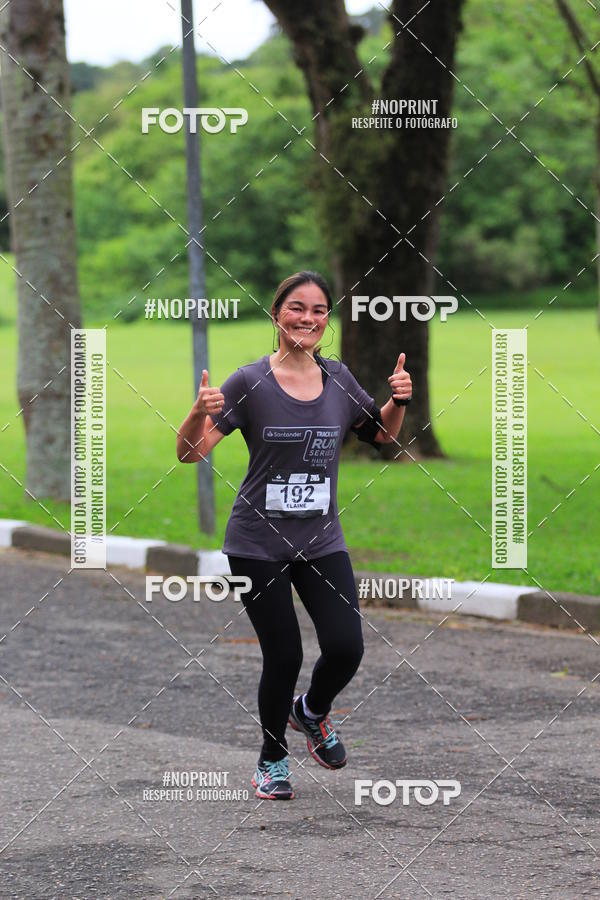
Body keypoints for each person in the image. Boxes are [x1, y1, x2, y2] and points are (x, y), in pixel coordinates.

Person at [176, 270, 412, 801]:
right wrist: (197, 412)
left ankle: (311, 712)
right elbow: (191, 453)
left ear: (327, 320)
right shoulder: (247, 382)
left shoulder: (338, 378)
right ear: (276, 313)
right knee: (283, 656)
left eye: (319, 310)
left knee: (346, 647)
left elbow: (381, 438)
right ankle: (272, 759)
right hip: (256, 545)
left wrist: (398, 401)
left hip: (322, 541)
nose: (308, 319)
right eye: (297, 308)